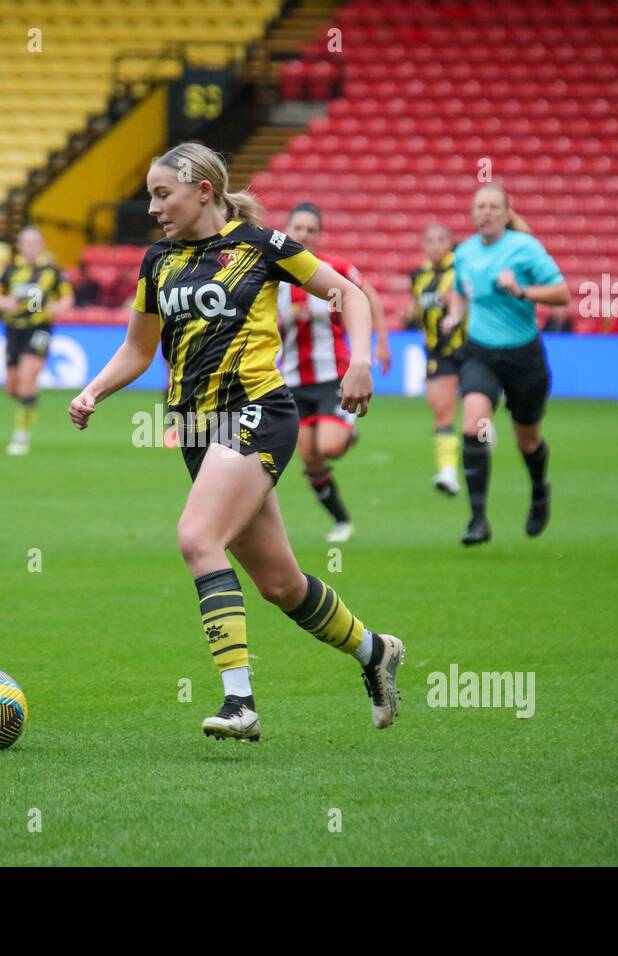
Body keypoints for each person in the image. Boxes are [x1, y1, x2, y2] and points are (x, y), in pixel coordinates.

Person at [68, 143, 404, 741]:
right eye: (150, 195)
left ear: (203, 190)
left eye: (161, 194)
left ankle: (239, 703)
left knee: (197, 539)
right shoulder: (158, 261)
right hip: (199, 432)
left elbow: (346, 293)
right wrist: (94, 391)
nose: (152, 207)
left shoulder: (263, 246)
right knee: (282, 585)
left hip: (257, 411)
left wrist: (360, 363)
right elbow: (138, 350)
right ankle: (375, 651)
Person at [447, 184, 570, 546]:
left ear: (505, 213)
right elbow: (458, 289)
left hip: (523, 356)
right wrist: (455, 316)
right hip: (480, 352)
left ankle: (539, 491)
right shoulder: (465, 252)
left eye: (492, 207)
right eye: (479, 207)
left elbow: (562, 293)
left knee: (527, 441)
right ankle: (478, 519)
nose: (485, 212)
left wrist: (522, 291)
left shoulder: (525, 248)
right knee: (473, 425)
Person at [277, 201, 391, 542]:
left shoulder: (334, 268)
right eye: (298, 228)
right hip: (294, 380)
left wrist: (381, 342)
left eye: (311, 229)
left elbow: (366, 296)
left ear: (319, 235)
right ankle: (341, 520)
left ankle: (346, 433)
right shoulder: (273, 275)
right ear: (287, 230)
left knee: (329, 446)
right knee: (309, 456)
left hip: (333, 376)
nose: (304, 234)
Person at [0, 227, 73, 455]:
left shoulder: (51, 271)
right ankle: (28, 403)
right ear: (20, 246)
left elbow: (67, 297)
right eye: (26, 242)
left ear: (42, 245)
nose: (31, 247)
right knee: (12, 387)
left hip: (40, 329)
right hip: (14, 330)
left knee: (26, 378)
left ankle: (21, 436)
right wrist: (2, 302)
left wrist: (58, 307)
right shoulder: (11, 270)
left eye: (35, 242)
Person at [408, 223, 465, 496]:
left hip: (471, 348)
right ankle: (448, 472)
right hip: (437, 352)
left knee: (479, 415)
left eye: (442, 239)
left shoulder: (462, 269)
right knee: (442, 412)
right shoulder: (419, 274)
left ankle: (482, 432)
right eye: (430, 240)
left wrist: (455, 311)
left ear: (450, 242)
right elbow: (420, 307)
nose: (436, 245)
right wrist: (411, 314)